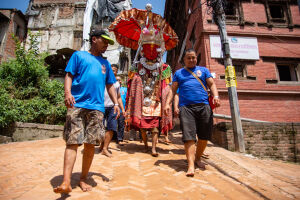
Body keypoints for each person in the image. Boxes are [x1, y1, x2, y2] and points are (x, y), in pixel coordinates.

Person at [53, 29, 120, 194]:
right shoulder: (79, 56)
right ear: (94, 39)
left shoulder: (105, 64)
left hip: (97, 108)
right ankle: (66, 182)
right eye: (104, 41)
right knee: (72, 141)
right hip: (77, 104)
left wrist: (116, 103)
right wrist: (67, 93)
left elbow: (110, 84)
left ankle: (83, 178)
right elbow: (69, 75)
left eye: (108, 43)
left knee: (90, 144)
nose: (106, 45)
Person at [164, 49, 220, 177]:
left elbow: (212, 84)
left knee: (204, 136)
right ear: (184, 60)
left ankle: (198, 158)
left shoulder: (204, 71)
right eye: (188, 58)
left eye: (193, 57)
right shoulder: (178, 73)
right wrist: (168, 104)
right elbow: (173, 90)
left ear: (196, 58)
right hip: (186, 108)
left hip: (204, 106)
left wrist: (216, 96)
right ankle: (190, 165)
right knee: (189, 137)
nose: (191, 60)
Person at [100, 64, 125, 157]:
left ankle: (105, 148)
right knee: (101, 127)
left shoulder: (117, 84)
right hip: (101, 106)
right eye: (111, 70)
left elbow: (118, 97)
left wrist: (122, 109)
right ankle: (102, 144)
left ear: (116, 72)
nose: (113, 71)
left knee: (111, 127)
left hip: (112, 107)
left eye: (115, 70)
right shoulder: (101, 80)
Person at [116, 76, 127, 145]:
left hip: (122, 110)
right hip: (114, 109)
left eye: (119, 80)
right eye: (117, 80)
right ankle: (113, 138)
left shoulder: (125, 89)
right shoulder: (112, 88)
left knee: (121, 125)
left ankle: (120, 139)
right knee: (113, 125)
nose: (119, 81)